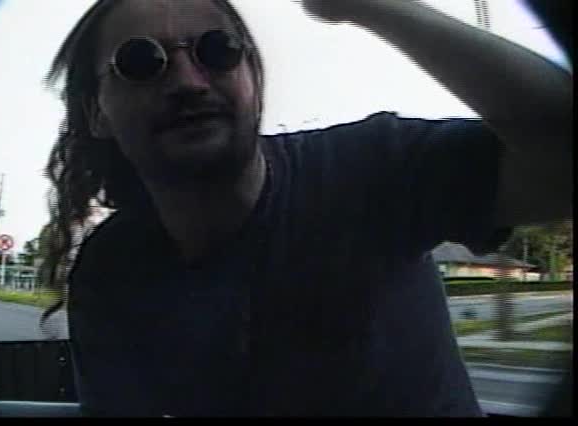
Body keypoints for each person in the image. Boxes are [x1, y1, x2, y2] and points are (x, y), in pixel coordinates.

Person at [39, 0, 572, 417]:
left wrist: (367, 6)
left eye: (218, 50)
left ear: (253, 76)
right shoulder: (110, 271)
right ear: (96, 112)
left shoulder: (375, 167)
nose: (188, 81)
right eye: (141, 62)